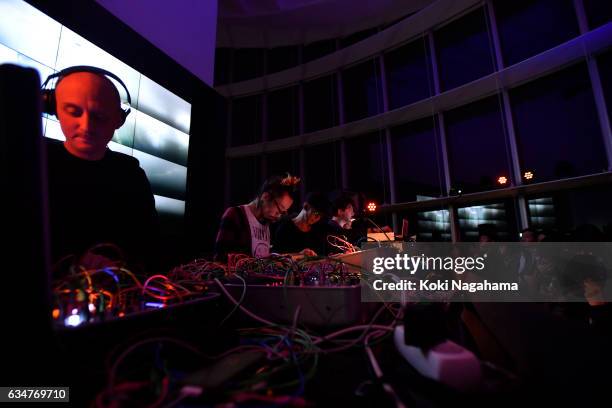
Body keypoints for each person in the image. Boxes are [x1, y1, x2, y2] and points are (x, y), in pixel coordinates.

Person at [44, 69, 158, 272]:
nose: (86, 125)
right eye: (73, 112)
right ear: (54, 108)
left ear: (118, 120)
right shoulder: (34, 162)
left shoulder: (130, 173)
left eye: (100, 116)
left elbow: (149, 243)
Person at [214, 174, 301, 261]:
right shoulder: (235, 214)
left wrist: (298, 255)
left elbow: (263, 258)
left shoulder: (266, 222)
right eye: (279, 210)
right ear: (265, 197)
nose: (278, 216)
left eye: (283, 212)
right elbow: (220, 257)